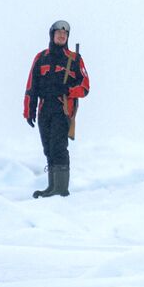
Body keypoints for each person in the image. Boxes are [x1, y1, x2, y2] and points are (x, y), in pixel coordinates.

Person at [24, 20, 89, 198]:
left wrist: (69, 90)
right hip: (44, 109)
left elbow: (85, 87)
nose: (62, 36)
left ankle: (61, 190)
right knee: (48, 148)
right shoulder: (40, 58)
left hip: (63, 108)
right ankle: (52, 187)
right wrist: (28, 110)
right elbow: (31, 86)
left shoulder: (75, 59)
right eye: (58, 33)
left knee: (58, 147)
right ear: (52, 35)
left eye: (65, 34)